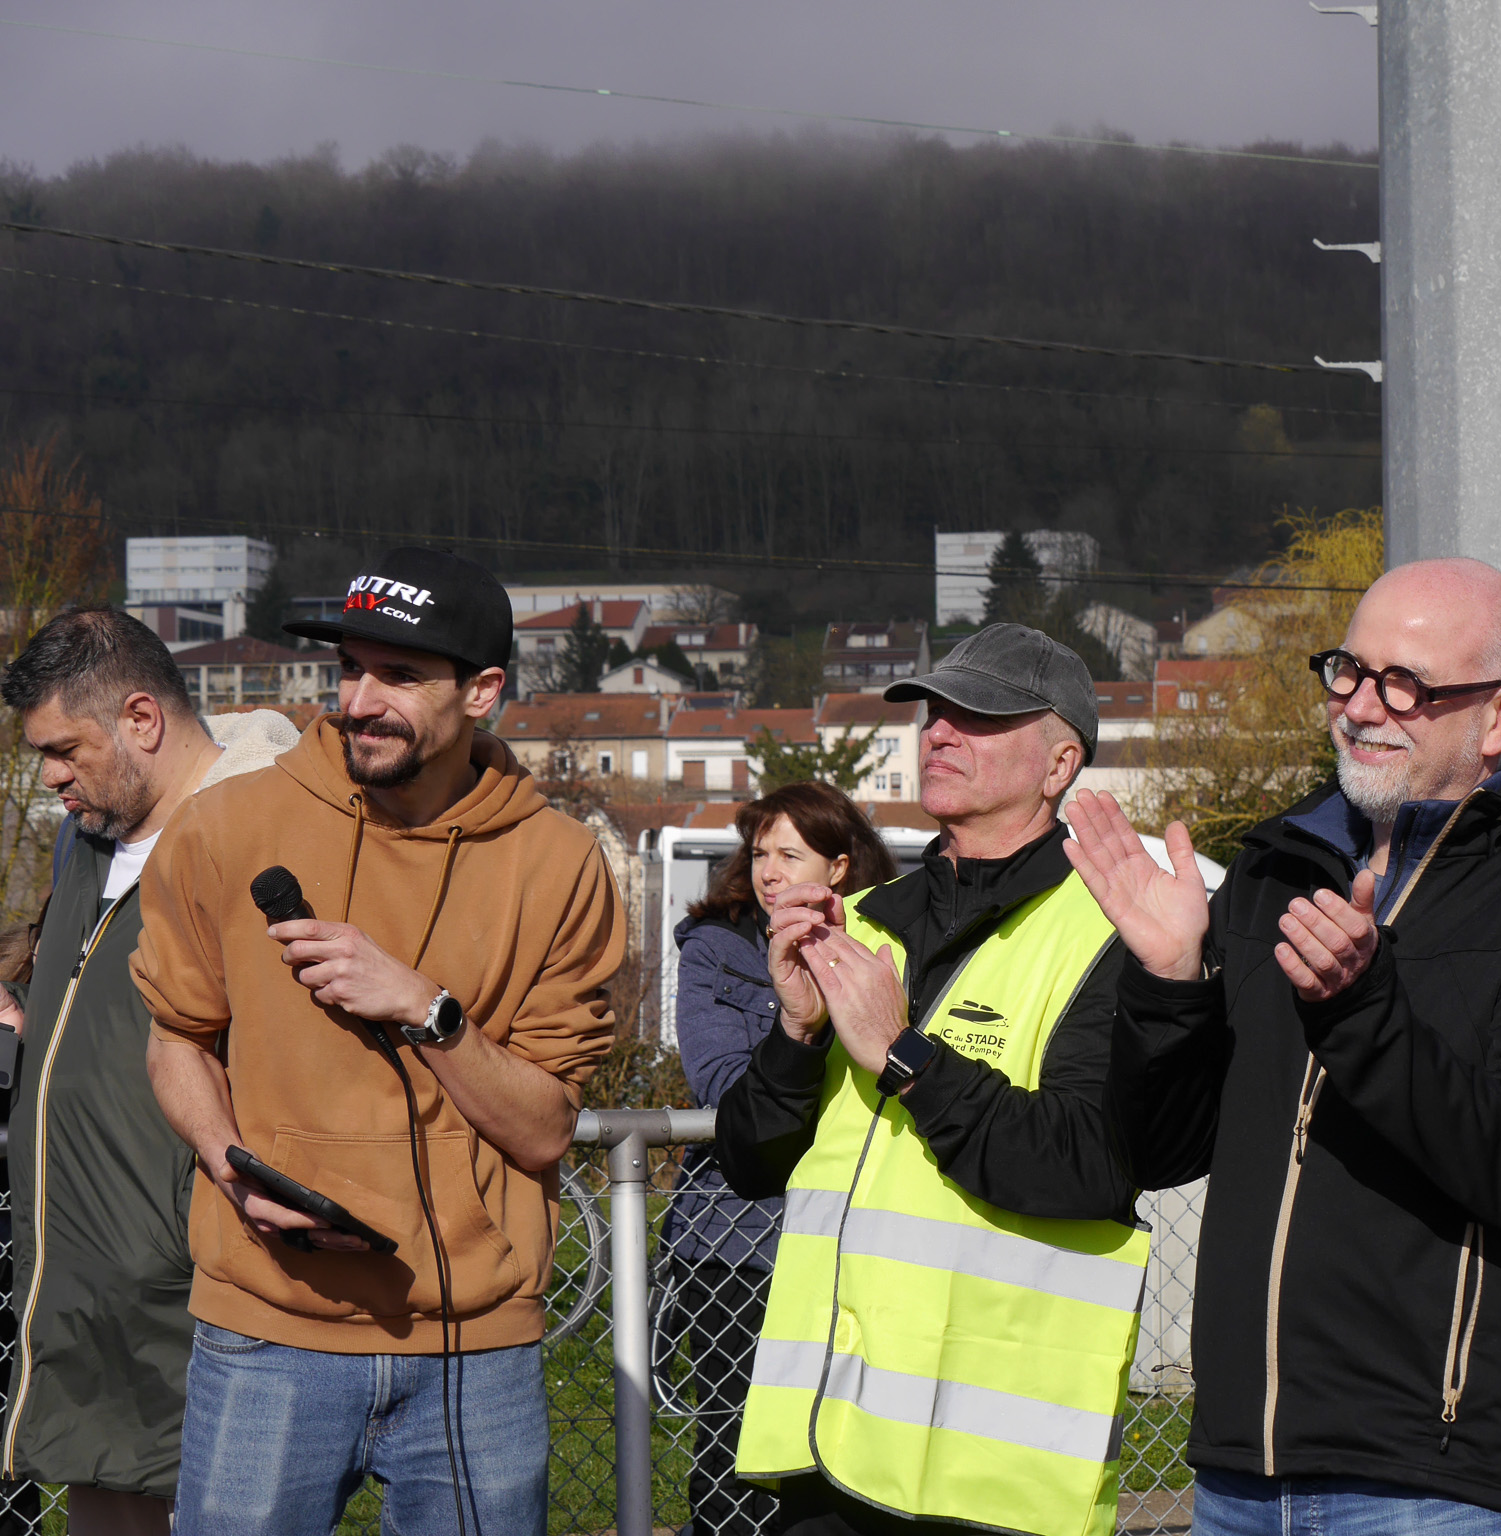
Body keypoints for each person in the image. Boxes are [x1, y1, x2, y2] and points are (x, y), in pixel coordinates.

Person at [1065, 557, 1501, 1536]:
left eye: (1405, 685)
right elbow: (1161, 1149)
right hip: (1235, 1476)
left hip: (1434, 1485)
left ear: (1499, 716)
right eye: (1349, 670)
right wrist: (1167, 986)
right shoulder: (1269, 869)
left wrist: (1359, 1007)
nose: (1360, 707)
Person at [132, 548, 623, 1535]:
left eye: (399, 676)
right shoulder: (227, 827)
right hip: (267, 1327)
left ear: (482, 691)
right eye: (349, 669)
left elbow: (541, 1133)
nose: (359, 700)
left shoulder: (560, 866)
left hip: (477, 1353)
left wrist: (424, 1008)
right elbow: (176, 1041)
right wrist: (231, 1170)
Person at [717, 623, 1145, 1536]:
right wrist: (795, 1033)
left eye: (979, 717)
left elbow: (1088, 1168)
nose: (940, 733)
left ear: (1060, 762)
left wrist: (907, 1056)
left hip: (994, 1478)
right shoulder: (857, 919)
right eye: (934, 713)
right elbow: (751, 1164)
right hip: (827, 1451)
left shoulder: (1115, 931)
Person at [0, 609, 301, 1536]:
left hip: (191, 1274)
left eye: (64, 748)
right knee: (96, 1494)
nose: (50, 776)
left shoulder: (266, 840)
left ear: (142, 719)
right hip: (77, 1264)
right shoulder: (83, 839)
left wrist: (193, 1216)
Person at [663, 782, 895, 1536]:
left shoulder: (889, 941)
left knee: (853, 1449)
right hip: (738, 1240)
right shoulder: (718, 947)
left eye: (789, 854)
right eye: (760, 851)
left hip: (859, 1234)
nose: (767, 871)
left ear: (839, 865)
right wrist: (804, 1022)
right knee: (736, 1446)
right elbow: (726, 1088)